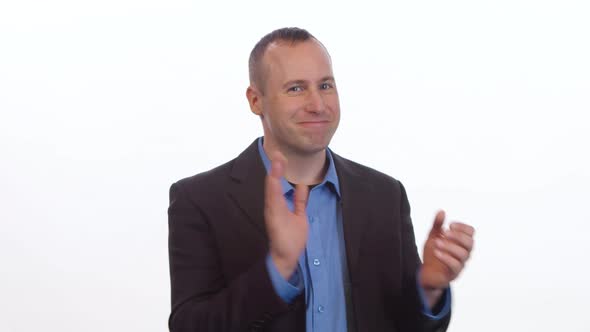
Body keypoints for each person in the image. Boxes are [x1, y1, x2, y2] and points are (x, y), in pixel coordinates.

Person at [167, 27, 475, 332]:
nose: (317, 104)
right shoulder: (200, 200)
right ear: (255, 100)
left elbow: (404, 324)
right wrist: (278, 269)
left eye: (325, 85)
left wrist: (429, 288)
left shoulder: (385, 196)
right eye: (296, 88)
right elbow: (189, 326)